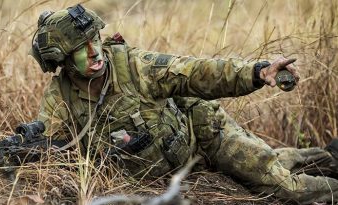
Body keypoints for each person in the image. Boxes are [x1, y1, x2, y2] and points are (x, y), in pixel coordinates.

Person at [30, 4, 338, 204]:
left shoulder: (135, 66)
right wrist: (26, 148)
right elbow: (49, 139)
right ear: (63, 60)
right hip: (179, 164)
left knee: (285, 189)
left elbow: (198, 72)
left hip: (206, 134)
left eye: (94, 39)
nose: (94, 51)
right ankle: (328, 155)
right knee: (270, 161)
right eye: (80, 49)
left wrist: (257, 71)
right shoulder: (61, 96)